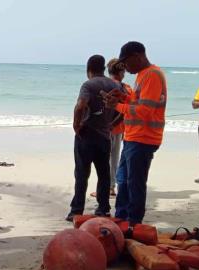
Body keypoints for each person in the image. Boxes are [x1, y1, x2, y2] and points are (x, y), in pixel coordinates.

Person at [102, 41, 166, 227]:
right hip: (132, 136)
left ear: (137, 57)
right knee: (123, 179)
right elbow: (137, 101)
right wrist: (123, 97)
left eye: (125, 62)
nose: (124, 67)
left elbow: (145, 110)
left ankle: (133, 222)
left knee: (135, 182)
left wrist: (117, 106)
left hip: (144, 138)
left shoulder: (152, 75)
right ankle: (121, 218)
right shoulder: (142, 75)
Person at [65, 55, 119, 222]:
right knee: (103, 174)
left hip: (86, 134)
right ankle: (103, 209)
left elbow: (80, 105)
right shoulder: (115, 85)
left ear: (89, 69)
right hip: (104, 136)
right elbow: (123, 109)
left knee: (82, 173)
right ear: (103, 68)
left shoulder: (88, 85)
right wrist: (112, 124)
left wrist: (76, 125)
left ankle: (76, 211)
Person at [90, 58, 132, 199]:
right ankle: (111, 187)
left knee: (104, 160)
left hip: (107, 128)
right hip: (121, 128)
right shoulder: (126, 87)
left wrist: (109, 124)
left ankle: (107, 188)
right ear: (122, 72)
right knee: (114, 159)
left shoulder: (107, 85)